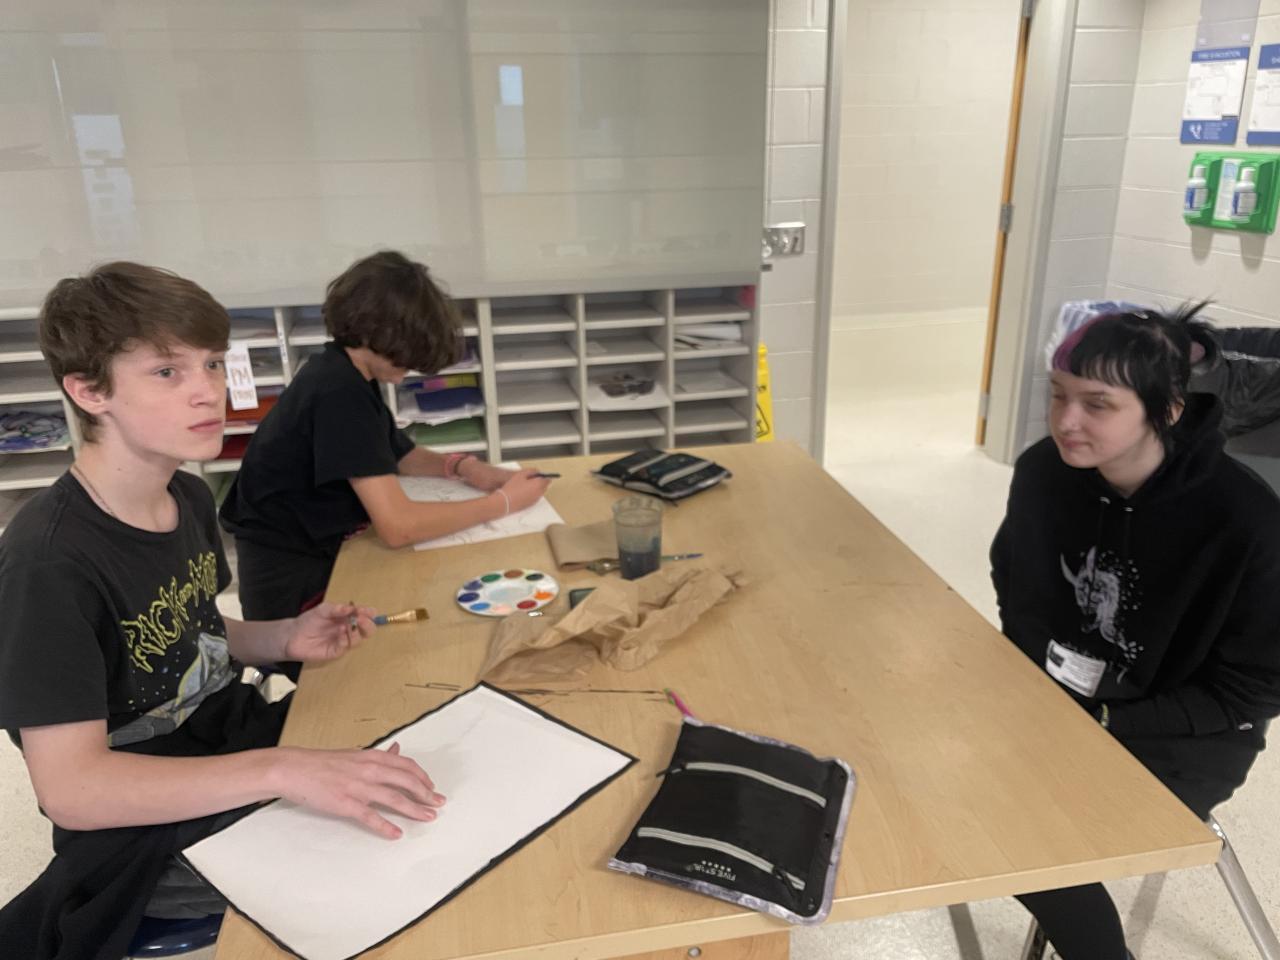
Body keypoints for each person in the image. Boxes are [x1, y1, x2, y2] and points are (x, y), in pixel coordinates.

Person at [0, 263, 446, 959]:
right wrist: (281, 769)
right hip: (143, 831)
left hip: (230, 742)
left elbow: (193, 634)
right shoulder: (47, 565)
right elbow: (73, 790)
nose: (208, 390)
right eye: (167, 372)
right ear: (89, 390)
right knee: (404, 867)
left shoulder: (186, 496)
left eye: (212, 363)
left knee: (421, 749)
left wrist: (283, 637)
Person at [990, 304, 1280, 960]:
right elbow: (1017, 584)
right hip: (1058, 699)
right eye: (1058, 394)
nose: (1066, 421)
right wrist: (1035, 690)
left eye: (1098, 404)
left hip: (1182, 735)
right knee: (945, 784)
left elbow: (1253, 688)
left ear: (1167, 410)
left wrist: (1106, 720)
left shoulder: (1246, 521)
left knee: (1026, 839)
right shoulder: (1043, 473)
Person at [219, 250, 550, 624]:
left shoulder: (344, 370)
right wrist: (503, 503)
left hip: (317, 552)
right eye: (405, 353)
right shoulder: (337, 392)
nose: (410, 366)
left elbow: (396, 452)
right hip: (294, 590)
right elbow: (398, 526)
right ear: (374, 331)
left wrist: (463, 467)